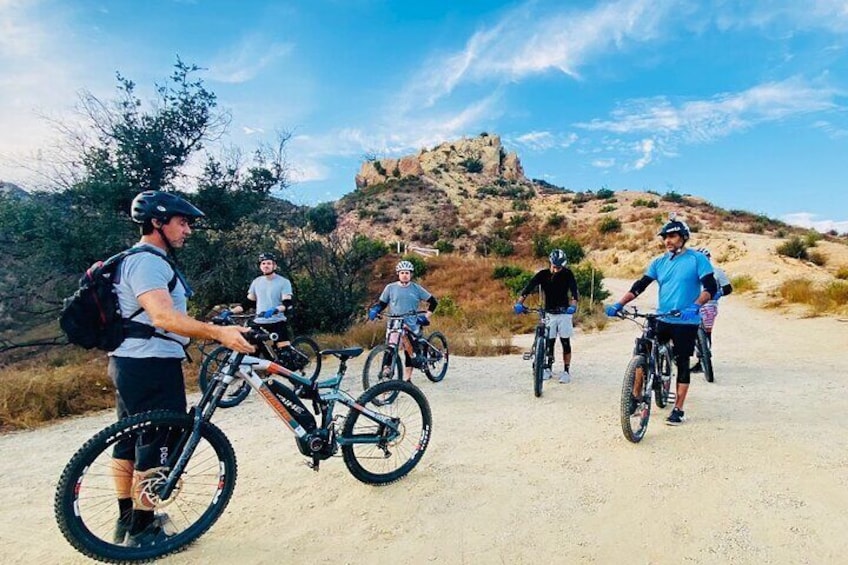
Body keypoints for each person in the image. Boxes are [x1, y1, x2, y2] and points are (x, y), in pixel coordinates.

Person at [109, 190, 254, 546]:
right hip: (151, 363)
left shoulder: (133, 259)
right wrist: (218, 332)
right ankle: (143, 529)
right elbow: (162, 316)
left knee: (130, 440)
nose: (187, 229)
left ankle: (127, 519)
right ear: (157, 222)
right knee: (156, 443)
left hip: (129, 362)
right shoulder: (149, 261)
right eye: (182, 222)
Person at [605, 217, 717, 425]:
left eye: (672, 236)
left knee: (682, 362)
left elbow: (711, 288)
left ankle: (678, 408)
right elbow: (640, 285)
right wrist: (619, 304)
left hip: (686, 321)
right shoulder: (659, 262)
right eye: (665, 237)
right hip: (663, 317)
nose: (668, 241)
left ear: (683, 238)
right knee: (643, 350)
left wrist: (695, 306)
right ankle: (636, 397)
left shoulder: (696, 259)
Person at [513, 249, 580, 383]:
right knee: (550, 342)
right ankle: (548, 368)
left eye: (559, 267)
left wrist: (573, 305)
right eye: (555, 266)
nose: (557, 269)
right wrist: (519, 303)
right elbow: (528, 288)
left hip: (564, 313)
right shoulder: (543, 275)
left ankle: (566, 371)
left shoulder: (567, 274)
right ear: (551, 263)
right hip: (549, 312)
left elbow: (574, 292)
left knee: (565, 342)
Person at [367, 260, 438, 382]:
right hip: (395, 323)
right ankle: (387, 369)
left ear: (411, 274)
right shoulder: (390, 288)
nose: (405, 275)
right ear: (398, 274)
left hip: (411, 324)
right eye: (402, 272)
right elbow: (382, 304)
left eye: (407, 272)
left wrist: (426, 316)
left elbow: (433, 302)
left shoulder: (416, 288)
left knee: (409, 350)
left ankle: (407, 379)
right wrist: (376, 310)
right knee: (391, 346)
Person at [233, 252, 296, 360]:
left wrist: (275, 309)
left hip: (277, 321)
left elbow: (287, 303)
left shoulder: (283, 282)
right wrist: (231, 311)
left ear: (274, 266)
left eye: (268, 263)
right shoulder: (256, 282)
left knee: (285, 354)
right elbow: (248, 303)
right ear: (260, 266)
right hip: (259, 322)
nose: (266, 266)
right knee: (253, 351)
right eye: (263, 263)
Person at [691, 247, 733, 372]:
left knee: (703, 332)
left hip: (709, 304)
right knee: (704, 332)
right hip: (697, 304)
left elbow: (727, 288)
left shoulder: (716, 271)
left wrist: (717, 293)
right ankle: (703, 358)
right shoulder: (693, 273)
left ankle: (703, 359)